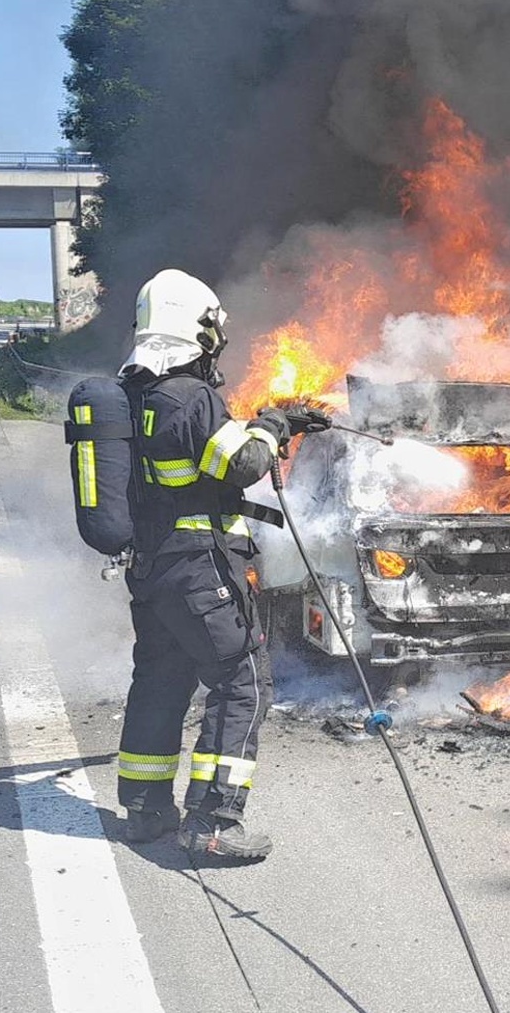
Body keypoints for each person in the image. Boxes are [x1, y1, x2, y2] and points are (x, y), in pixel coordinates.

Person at [113, 269, 328, 862]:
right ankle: (214, 823)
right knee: (241, 683)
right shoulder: (192, 397)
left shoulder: (129, 397)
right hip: (199, 567)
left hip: (152, 568)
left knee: (161, 680)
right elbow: (243, 463)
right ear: (197, 329)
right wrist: (276, 423)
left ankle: (146, 809)